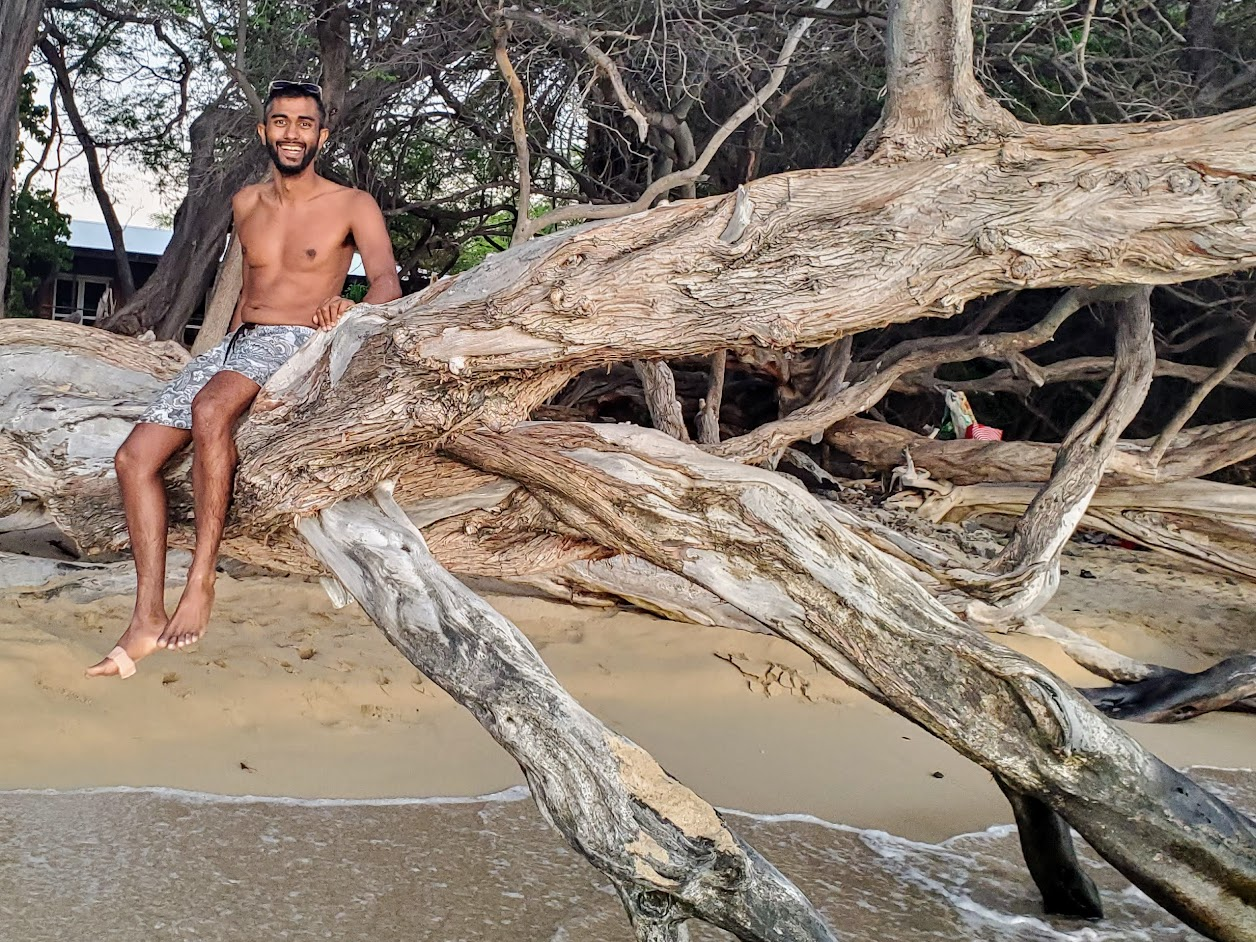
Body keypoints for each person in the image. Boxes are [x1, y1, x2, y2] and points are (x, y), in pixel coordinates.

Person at [87, 80, 402, 678]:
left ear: (321, 136)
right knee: (133, 459)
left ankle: (202, 580)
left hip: (299, 341)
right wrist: (213, 355)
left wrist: (350, 307)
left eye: (304, 124)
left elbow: (387, 281)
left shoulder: (351, 203)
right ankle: (146, 616)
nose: (292, 133)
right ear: (264, 132)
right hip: (241, 342)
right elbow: (245, 292)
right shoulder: (244, 202)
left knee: (211, 412)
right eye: (280, 122)